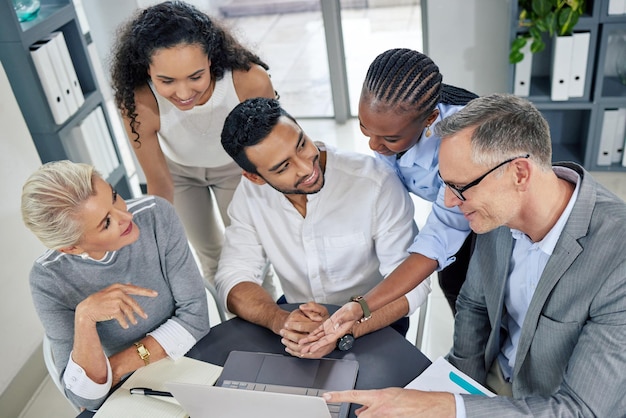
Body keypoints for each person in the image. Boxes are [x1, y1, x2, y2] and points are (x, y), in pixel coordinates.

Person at [322, 94, 626, 417]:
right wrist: (457, 386)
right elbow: (474, 305)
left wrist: (449, 407)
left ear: (519, 173)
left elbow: (580, 410)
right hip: (495, 380)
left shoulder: (617, 260)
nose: (450, 203)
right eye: (446, 186)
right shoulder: (497, 211)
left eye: (460, 188)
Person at [216, 97, 431, 358]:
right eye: (284, 167)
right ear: (255, 177)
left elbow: (413, 282)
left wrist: (346, 328)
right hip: (298, 316)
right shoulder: (250, 195)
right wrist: (278, 319)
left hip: (372, 320)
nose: (307, 167)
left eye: (301, 144)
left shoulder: (375, 183)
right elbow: (233, 276)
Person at [299, 48, 477, 354]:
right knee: (453, 286)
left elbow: (439, 236)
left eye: (389, 139)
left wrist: (361, 307)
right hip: (453, 213)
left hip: (491, 218)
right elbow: (384, 189)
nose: (373, 144)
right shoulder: (391, 124)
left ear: (430, 120)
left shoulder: (464, 143)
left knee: (477, 298)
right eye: (365, 128)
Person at [110, 0, 277, 289]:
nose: (184, 92)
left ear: (211, 58)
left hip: (236, 169)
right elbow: (159, 183)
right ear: (147, 70)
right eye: (167, 80)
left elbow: (272, 148)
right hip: (180, 176)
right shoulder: (137, 102)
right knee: (210, 257)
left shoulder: (249, 81)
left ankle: (268, 322)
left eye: (196, 76)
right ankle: (232, 326)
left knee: (252, 256)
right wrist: (155, 244)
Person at [21, 160, 210, 411]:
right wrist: (85, 317)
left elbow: (196, 319)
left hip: (189, 357)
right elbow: (85, 398)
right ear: (72, 247)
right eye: (106, 222)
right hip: (132, 390)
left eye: (114, 196)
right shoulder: (48, 278)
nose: (126, 215)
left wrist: (114, 368)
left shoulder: (156, 214)